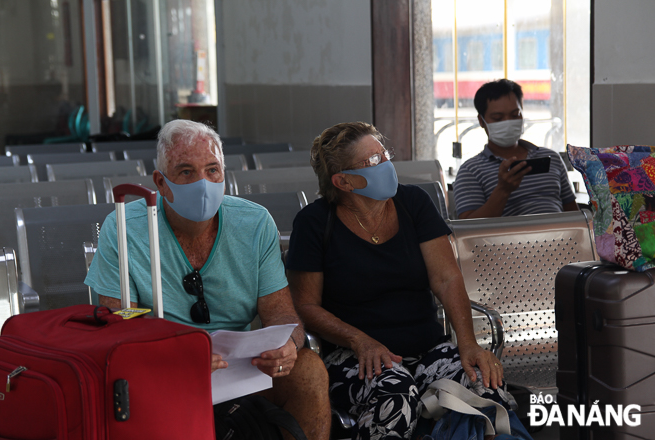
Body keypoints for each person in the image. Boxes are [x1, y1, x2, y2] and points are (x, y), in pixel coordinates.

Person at [84, 119, 330, 440]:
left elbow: (281, 313)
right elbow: (117, 320)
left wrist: (287, 346)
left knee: (309, 371)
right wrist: (180, 355)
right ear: (161, 182)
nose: (203, 183)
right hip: (163, 366)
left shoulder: (254, 223)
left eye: (212, 170)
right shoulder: (125, 227)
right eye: (186, 172)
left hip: (240, 368)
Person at [285, 121, 514, 440]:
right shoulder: (313, 223)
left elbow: (447, 279)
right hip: (357, 355)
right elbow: (305, 304)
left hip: (427, 346)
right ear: (343, 181)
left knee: (485, 385)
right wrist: (358, 340)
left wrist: (468, 344)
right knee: (396, 396)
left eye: (385, 154)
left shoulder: (414, 203)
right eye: (374, 161)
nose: (388, 165)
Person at [453, 78, 578, 219]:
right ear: (482, 121)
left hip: (561, 238)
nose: (508, 122)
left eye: (515, 115)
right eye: (498, 118)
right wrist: (503, 190)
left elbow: (573, 214)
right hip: (507, 241)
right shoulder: (470, 171)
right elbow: (468, 230)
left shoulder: (551, 158)